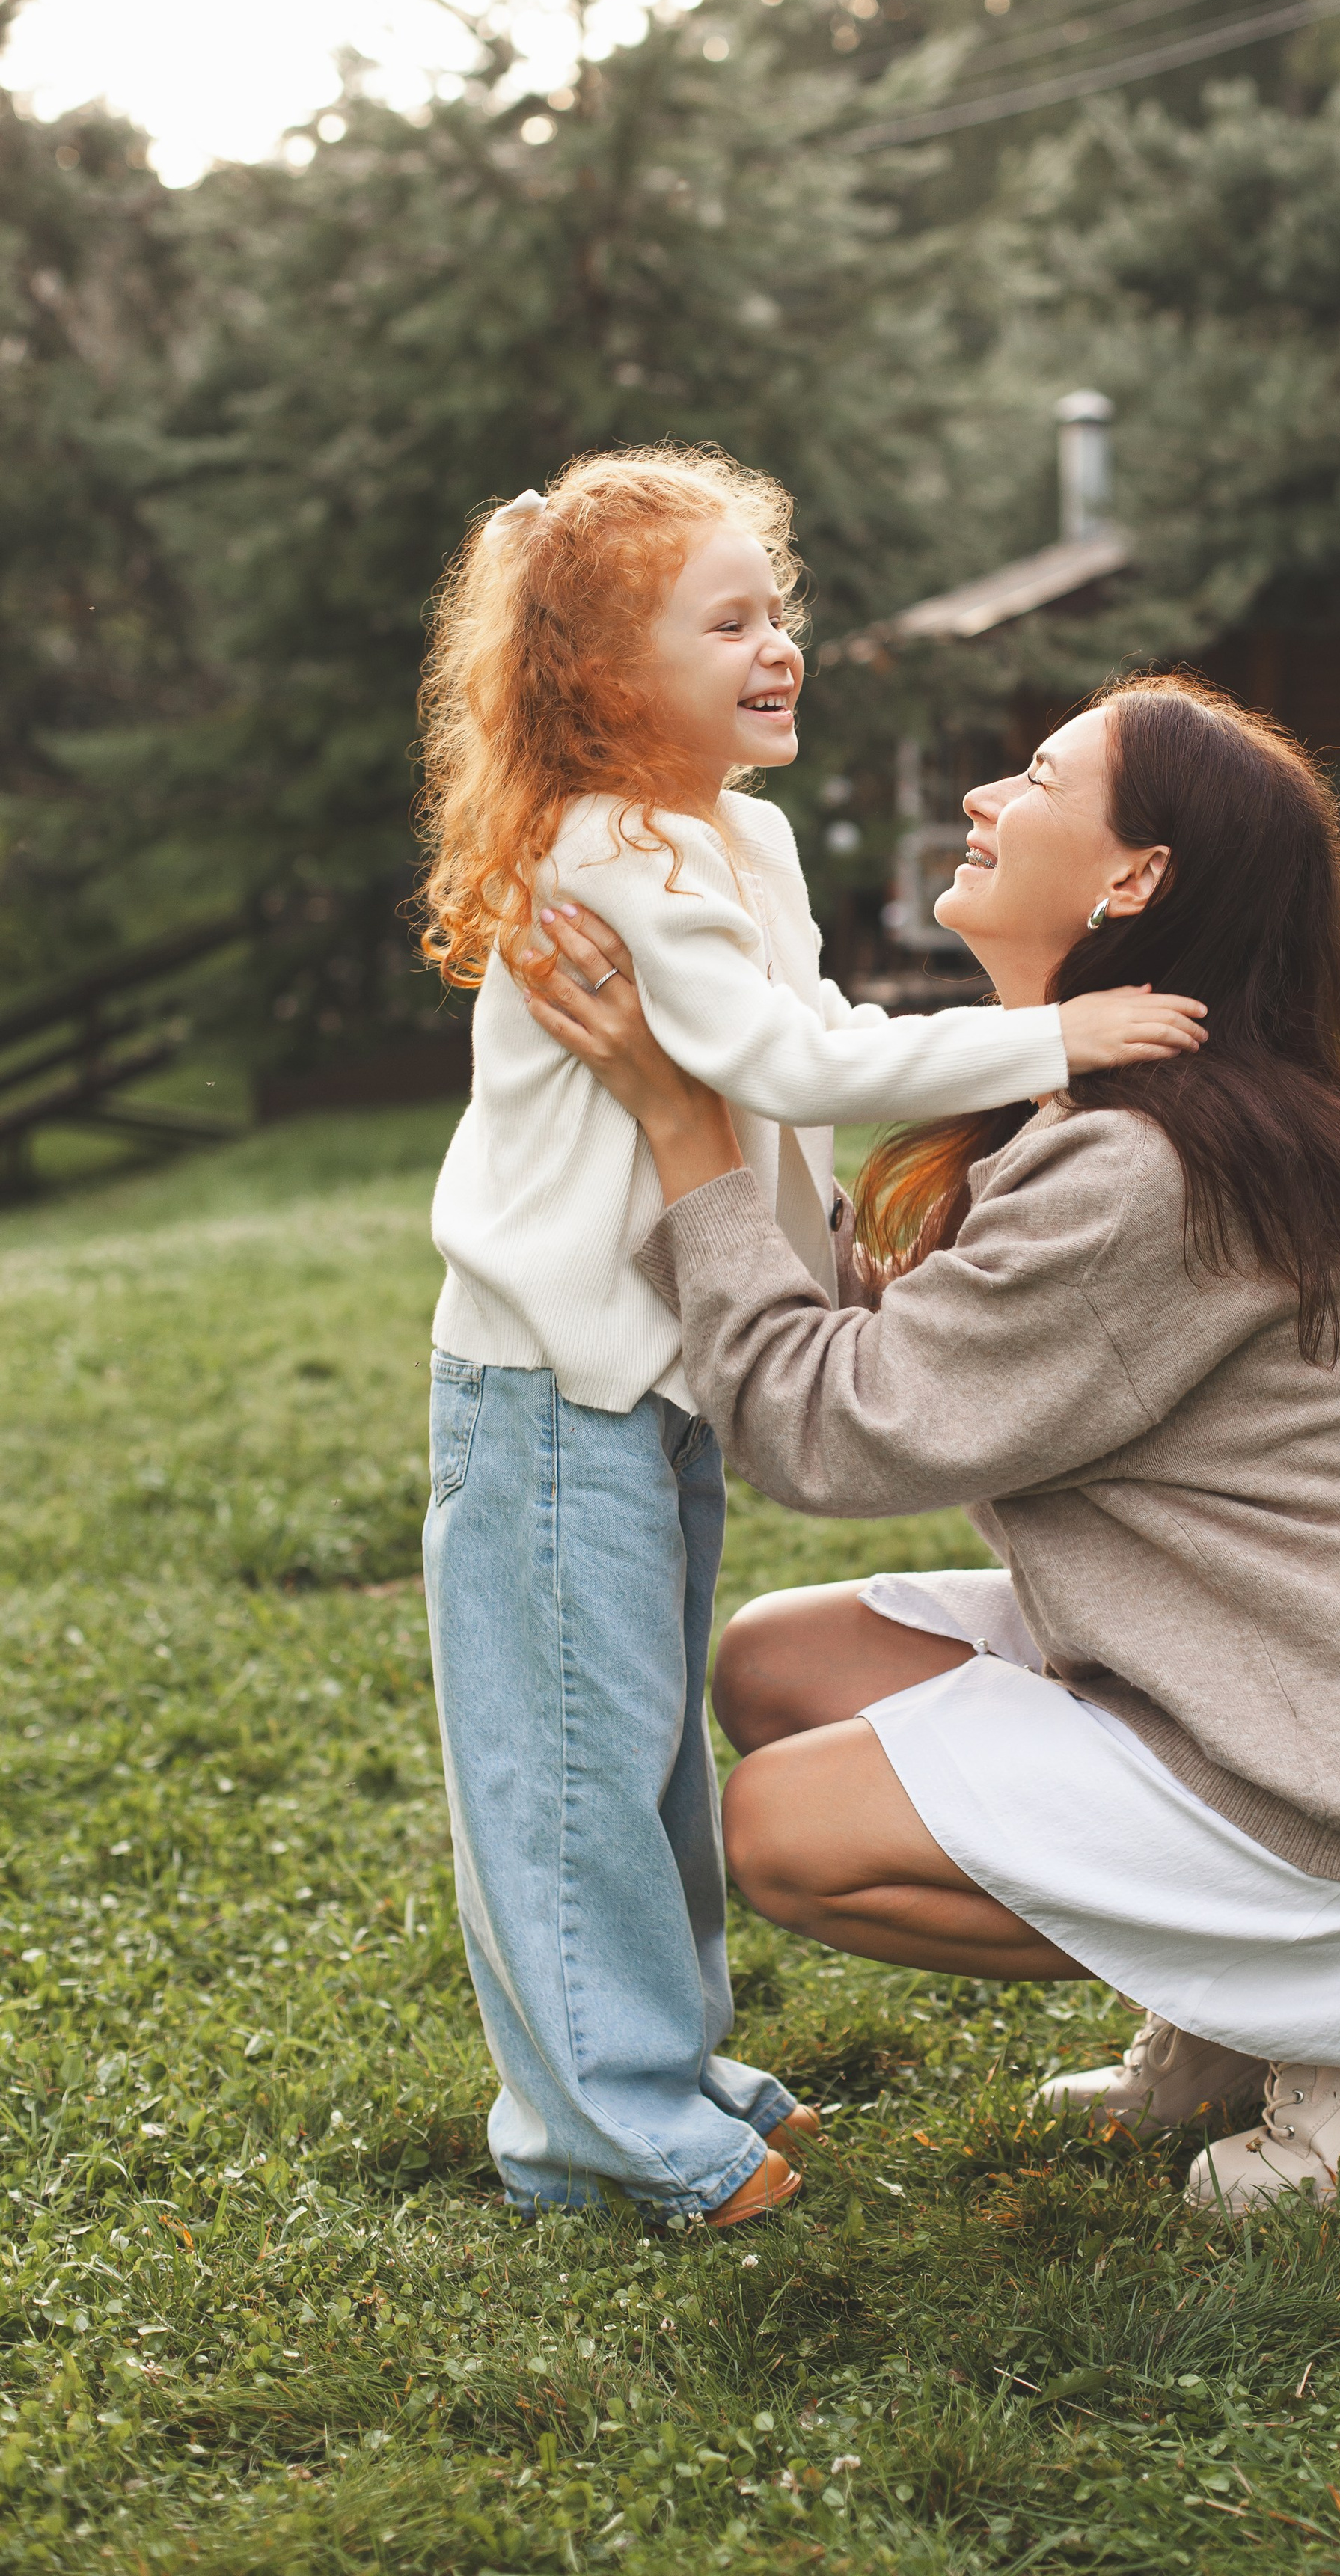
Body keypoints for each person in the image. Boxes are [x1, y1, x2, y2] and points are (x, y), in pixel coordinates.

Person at [527, 671, 1340, 2213]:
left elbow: (836, 1428)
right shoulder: (1122, 1108)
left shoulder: (1145, 1168)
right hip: (1268, 1675)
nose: (981, 799)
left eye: (1032, 777)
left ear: (1133, 878)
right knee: (771, 1666)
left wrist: (686, 1136)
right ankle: (1233, 2006)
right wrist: (754, 1086)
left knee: (785, 1832)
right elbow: (917, 1338)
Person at [414, 449, 1205, 2230]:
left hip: (656, 1377)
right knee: (565, 1771)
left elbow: (806, 1052)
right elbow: (789, 1065)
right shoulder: (609, 855)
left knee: (636, 1750)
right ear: (601, 681)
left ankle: (664, 2059)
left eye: (777, 610)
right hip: (553, 1389)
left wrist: (819, 1230)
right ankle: (594, 2132)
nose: (777, 646)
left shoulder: (737, 837)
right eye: (726, 622)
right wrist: (1057, 1039)